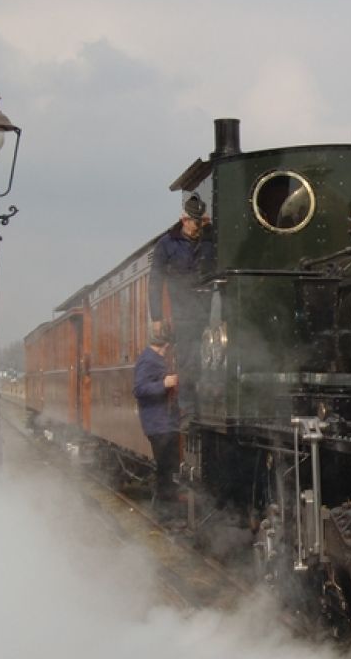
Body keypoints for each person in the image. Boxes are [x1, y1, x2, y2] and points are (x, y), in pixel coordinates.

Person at [149, 191, 216, 420]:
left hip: (210, 307)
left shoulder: (210, 239)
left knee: (211, 357)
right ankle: (188, 408)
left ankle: (209, 401)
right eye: (194, 223)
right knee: (188, 357)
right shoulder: (166, 245)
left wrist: (210, 230)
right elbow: (155, 282)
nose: (197, 228)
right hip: (183, 310)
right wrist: (156, 317)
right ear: (184, 220)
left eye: (200, 222)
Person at [132, 326, 183, 523]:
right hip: (158, 423)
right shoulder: (148, 360)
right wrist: (164, 384)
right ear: (166, 345)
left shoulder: (156, 358)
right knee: (166, 470)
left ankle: (166, 512)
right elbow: (139, 389)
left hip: (165, 423)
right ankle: (164, 515)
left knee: (169, 469)